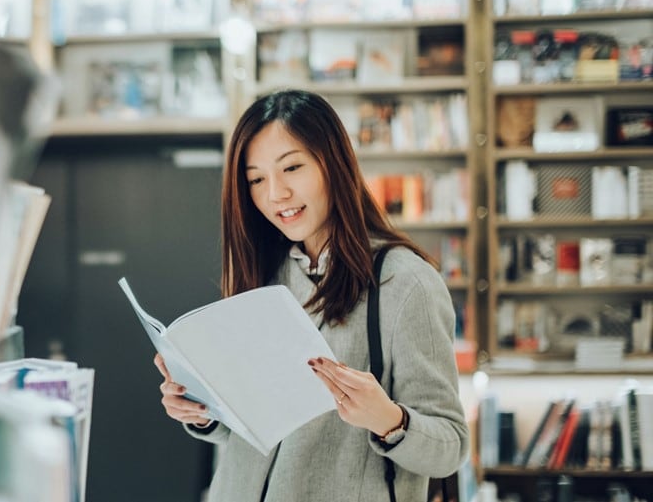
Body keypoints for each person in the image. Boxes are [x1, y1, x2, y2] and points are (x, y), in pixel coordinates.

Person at [154, 89, 469, 502]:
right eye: (256, 179)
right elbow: (254, 429)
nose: (276, 193)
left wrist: (390, 420)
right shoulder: (264, 276)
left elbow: (450, 446)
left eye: (292, 168)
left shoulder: (405, 283)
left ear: (333, 164)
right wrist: (202, 409)